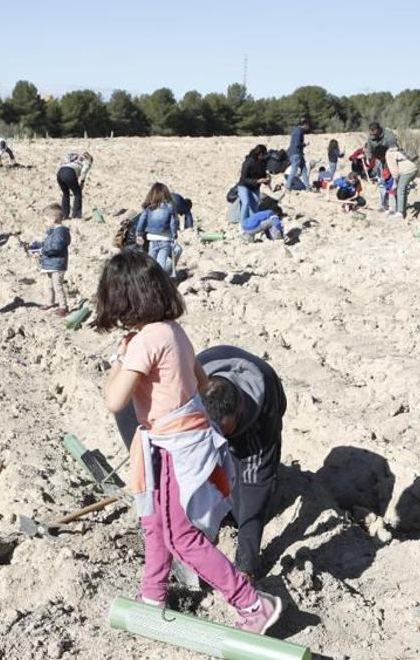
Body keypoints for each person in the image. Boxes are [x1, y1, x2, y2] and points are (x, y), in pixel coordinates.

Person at [94, 249, 283, 634]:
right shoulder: (173, 331)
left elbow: (114, 400)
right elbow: (201, 382)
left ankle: (252, 603)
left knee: (182, 537)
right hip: (180, 441)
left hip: (176, 446)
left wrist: (121, 356)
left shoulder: (146, 340)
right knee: (154, 524)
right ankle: (153, 596)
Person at [197, 345, 287, 577]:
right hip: (207, 394)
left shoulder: (262, 421)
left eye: (225, 431)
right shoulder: (187, 387)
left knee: (242, 513)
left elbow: (254, 491)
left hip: (268, 399)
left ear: (238, 412)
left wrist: (246, 564)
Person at [25, 204, 71, 316]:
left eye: (46, 220)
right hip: (50, 264)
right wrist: (37, 245)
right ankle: (50, 302)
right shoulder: (53, 231)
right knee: (48, 284)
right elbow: (48, 243)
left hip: (57, 264)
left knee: (57, 285)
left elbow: (56, 246)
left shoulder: (61, 232)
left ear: (53, 219)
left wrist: (42, 250)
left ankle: (63, 307)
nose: (44, 223)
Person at [134, 183, 178, 273]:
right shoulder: (170, 206)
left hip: (152, 238)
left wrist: (139, 234)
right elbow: (173, 223)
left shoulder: (149, 207)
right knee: (161, 265)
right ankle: (160, 280)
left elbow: (142, 220)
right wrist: (174, 235)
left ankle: (149, 279)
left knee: (150, 262)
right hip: (165, 238)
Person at [382, 145, 418, 219]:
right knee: (402, 189)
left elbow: (394, 170)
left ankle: (400, 213)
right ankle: (402, 209)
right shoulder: (394, 151)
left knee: (400, 190)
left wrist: (395, 180)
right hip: (413, 169)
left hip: (406, 171)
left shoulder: (389, 154)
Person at [237, 145, 270, 222]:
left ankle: (253, 222)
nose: (264, 157)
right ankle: (243, 224)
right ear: (259, 154)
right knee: (245, 203)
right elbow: (244, 178)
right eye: (263, 155)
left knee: (254, 206)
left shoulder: (263, 162)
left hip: (255, 188)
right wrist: (257, 181)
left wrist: (266, 180)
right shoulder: (248, 162)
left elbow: (262, 174)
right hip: (244, 186)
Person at [57, 152, 93, 219]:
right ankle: (76, 215)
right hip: (69, 173)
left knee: (65, 194)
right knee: (78, 193)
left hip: (60, 172)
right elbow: (84, 172)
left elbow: (66, 158)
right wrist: (82, 182)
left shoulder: (75, 158)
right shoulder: (87, 162)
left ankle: (64, 214)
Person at [286, 117, 310, 191]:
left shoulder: (296, 130)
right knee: (294, 170)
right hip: (296, 154)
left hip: (297, 153)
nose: (308, 127)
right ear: (305, 124)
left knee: (304, 169)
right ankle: (288, 186)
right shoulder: (299, 131)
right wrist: (305, 144)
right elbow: (297, 144)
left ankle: (307, 187)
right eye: (307, 125)